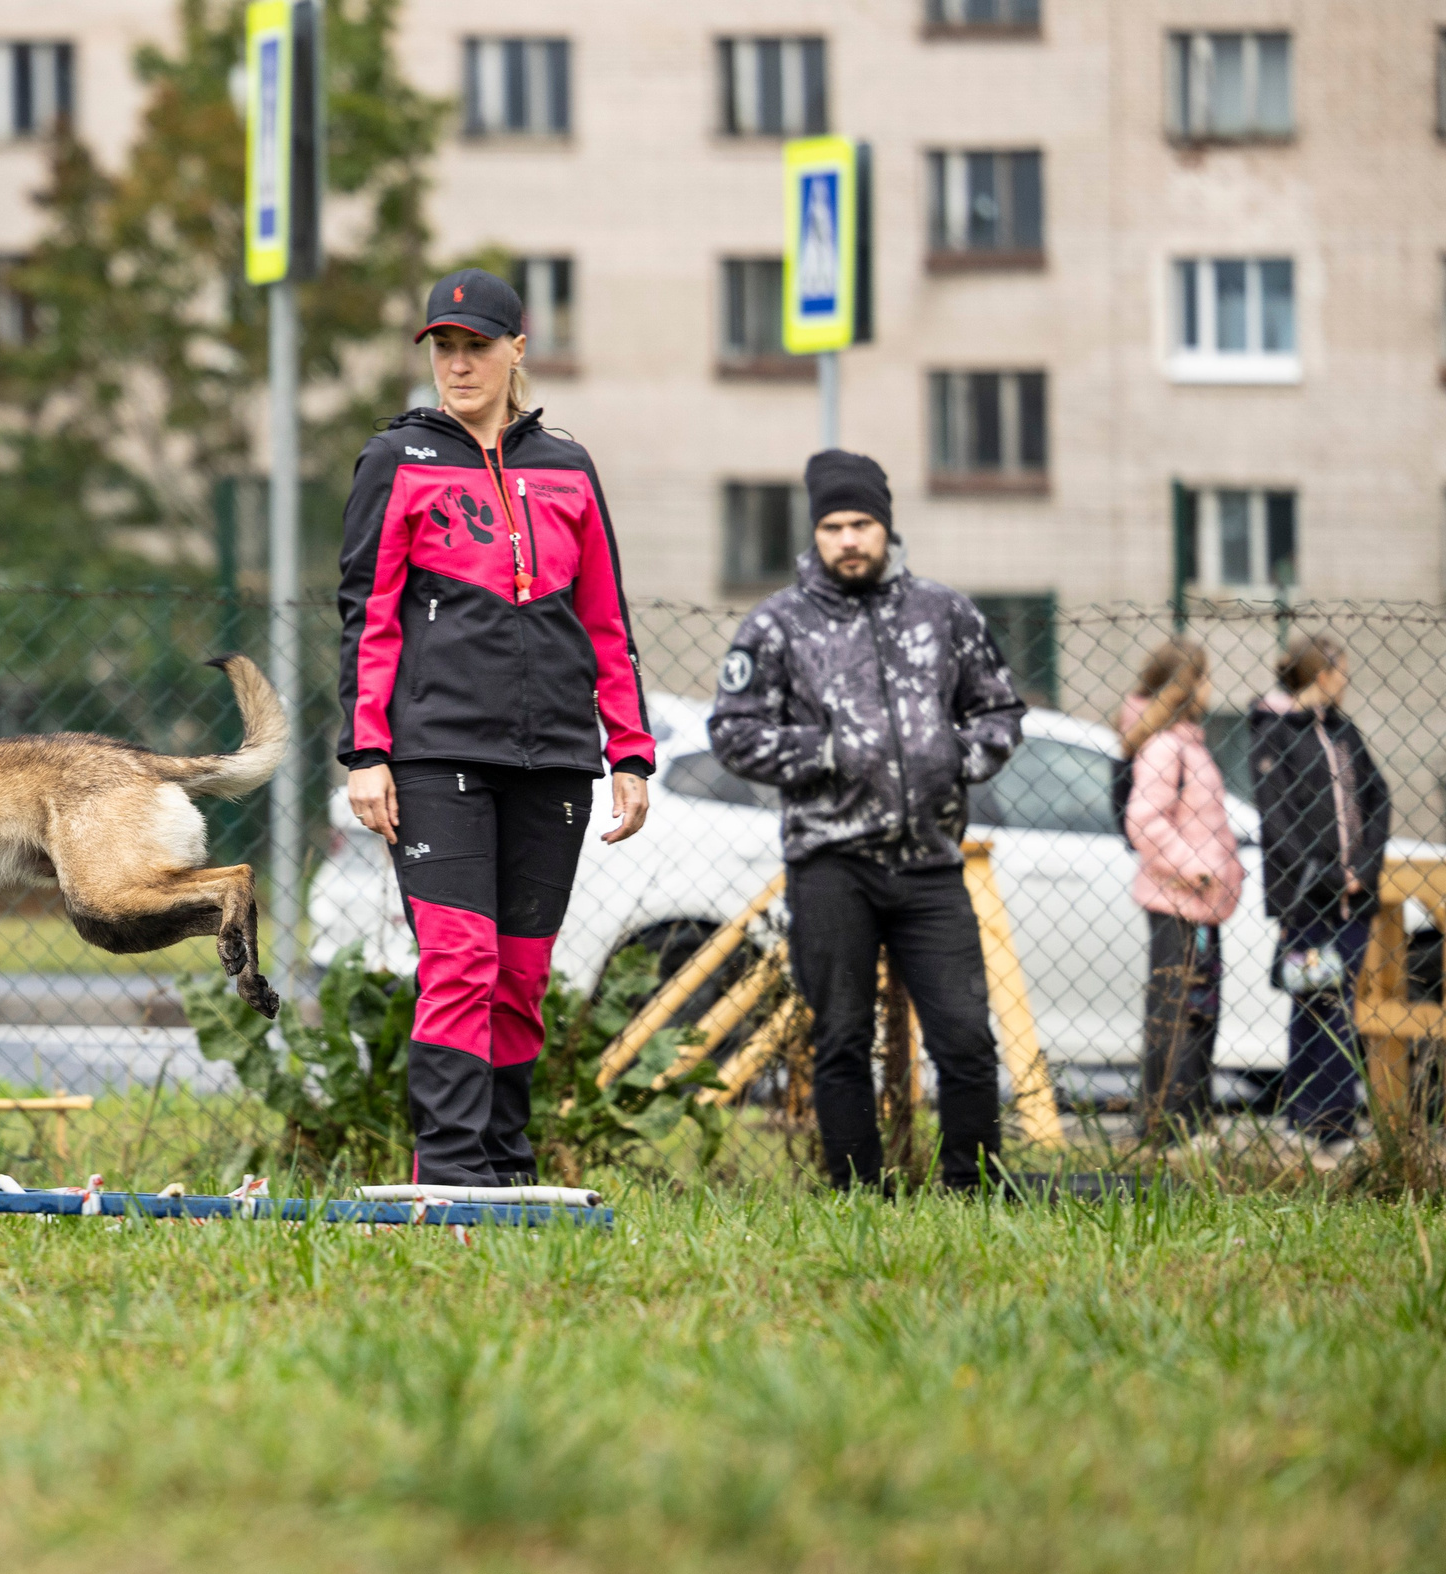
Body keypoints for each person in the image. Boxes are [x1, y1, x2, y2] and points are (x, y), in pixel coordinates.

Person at [334, 268, 655, 1186]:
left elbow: (606, 618)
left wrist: (627, 749)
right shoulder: (396, 459)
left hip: (553, 754)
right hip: (435, 753)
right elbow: (368, 612)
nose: (459, 364)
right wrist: (367, 751)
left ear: (518, 351)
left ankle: (507, 1167)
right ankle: (448, 1168)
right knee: (461, 961)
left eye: (477, 346)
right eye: (445, 347)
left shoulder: (569, 466)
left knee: (520, 975)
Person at [707, 449, 1027, 1192]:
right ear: (815, 534)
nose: (848, 539)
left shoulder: (944, 614)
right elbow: (733, 731)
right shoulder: (777, 625)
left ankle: (972, 1189)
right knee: (841, 1038)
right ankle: (855, 1191)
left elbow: (1000, 710)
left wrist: (953, 758)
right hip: (830, 863)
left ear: (885, 527)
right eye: (833, 526)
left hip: (929, 863)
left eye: (861, 524)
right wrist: (823, 751)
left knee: (966, 1039)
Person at [1250, 633, 1389, 1156]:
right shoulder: (1274, 735)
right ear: (1322, 673)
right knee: (1318, 1001)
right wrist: (1330, 874)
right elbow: (1278, 820)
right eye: (1342, 670)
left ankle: (1316, 1116)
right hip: (1308, 898)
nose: (1346, 680)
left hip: (1356, 899)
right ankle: (1326, 1122)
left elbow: (1378, 795)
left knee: (1339, 1002)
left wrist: (1364, 867)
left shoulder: (1343, 730)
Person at [1118, 640, 1243, 1145]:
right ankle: (1167, 1126)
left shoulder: (1189, 742)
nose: (1211, 687)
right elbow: (1143, 821)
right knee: (1178, 1012)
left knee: (1199, 1011)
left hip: (1202, 905)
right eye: (1205, 677)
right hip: (1179, 902)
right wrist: (1195, 870)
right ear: (1186, 686)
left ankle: (1189, 1119)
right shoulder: (1167, 748)